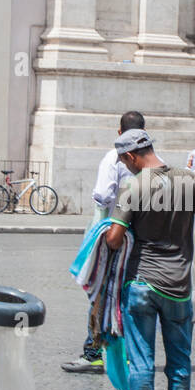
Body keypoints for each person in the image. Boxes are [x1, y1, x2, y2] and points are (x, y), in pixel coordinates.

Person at [99, 129, 195, 390]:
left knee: (141, 359)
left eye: (126, 161)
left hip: (143, 283)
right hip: (179, 286)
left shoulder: (134, 186)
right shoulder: (188, 179)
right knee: (180, 360)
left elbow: (113, 239)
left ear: (130, 157)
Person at [62, 110, 147, 375]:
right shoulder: (156, 161)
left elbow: (101, 196)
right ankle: (129, 354)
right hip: (141, 240)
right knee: (129, 295)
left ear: (119, 133)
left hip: (114, 235)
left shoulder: (113, 158)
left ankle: (94, 352)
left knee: (101, 292)